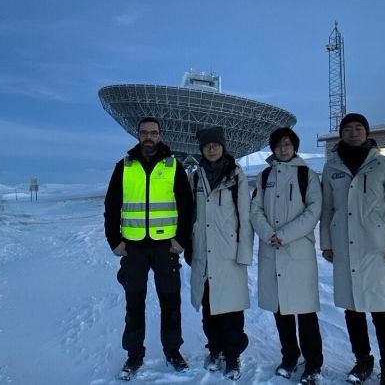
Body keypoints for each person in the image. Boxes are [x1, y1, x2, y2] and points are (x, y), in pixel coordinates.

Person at [320, 113, 385, 385]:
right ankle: (362, 361)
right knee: (353, 311)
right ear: (341, 134)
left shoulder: (384, 165)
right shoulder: (331, 168)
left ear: (367, 132)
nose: (353, 132)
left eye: (358, 127)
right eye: (347, 128)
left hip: (377, 249)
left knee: (382, 313)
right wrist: (326, 243)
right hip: (344, 248)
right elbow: (327, 210)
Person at [104, 117, 193, 381]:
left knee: (170, 301)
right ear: (138, 135)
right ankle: (134, 354)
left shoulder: (173, 165)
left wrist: (182, 240)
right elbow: (111, 206)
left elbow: (187, 206)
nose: (149, 137)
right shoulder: (125, 166)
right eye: (144, 133)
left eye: (153, 133)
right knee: (134, 303)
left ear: (160, 135)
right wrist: (115, 241)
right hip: (134, 248)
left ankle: (173, 350)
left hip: (166, 247)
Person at [250, 127, 324, 385]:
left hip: (297, 252)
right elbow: (255, 209)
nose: (283, 148)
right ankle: (290, 356)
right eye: (278, 145)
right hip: (272, 250)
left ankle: (313, 364)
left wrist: (284, 234)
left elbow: (314, 210)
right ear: (272, 148)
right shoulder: (264, 175)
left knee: (305, 312)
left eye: (287, 144)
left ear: (294, 146)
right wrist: (268, 233)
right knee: (280, 311)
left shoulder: (307, 175)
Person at [186, 126, 253, 381]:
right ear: (202, 149)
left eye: (216, 144)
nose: (212, 148)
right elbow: (190, 216)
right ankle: (214, 349)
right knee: (209, 307)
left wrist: (245, 252)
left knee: (232, 309)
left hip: (230, 253)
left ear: (223, 146)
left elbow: (245, 217)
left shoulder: (236, 175)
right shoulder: (195, 177)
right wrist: (191, 248)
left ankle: (233, 355)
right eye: (207, 145)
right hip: (204, 252)